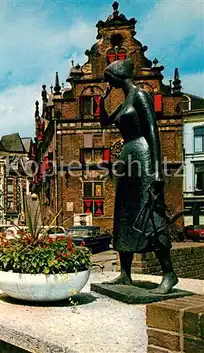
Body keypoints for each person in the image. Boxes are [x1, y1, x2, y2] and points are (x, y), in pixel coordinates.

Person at [99, 58, 178, 294]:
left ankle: (169, 274)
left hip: (142, 155)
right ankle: (125, 274)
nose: (108, 83)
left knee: (149, 213)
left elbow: (152, 130)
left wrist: (155, 169)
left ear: (118, 76)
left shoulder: (141, 95)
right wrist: (102, 101)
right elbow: (105, 122)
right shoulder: (124, 102)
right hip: (128, 159)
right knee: (124, 214)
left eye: (109, 79)